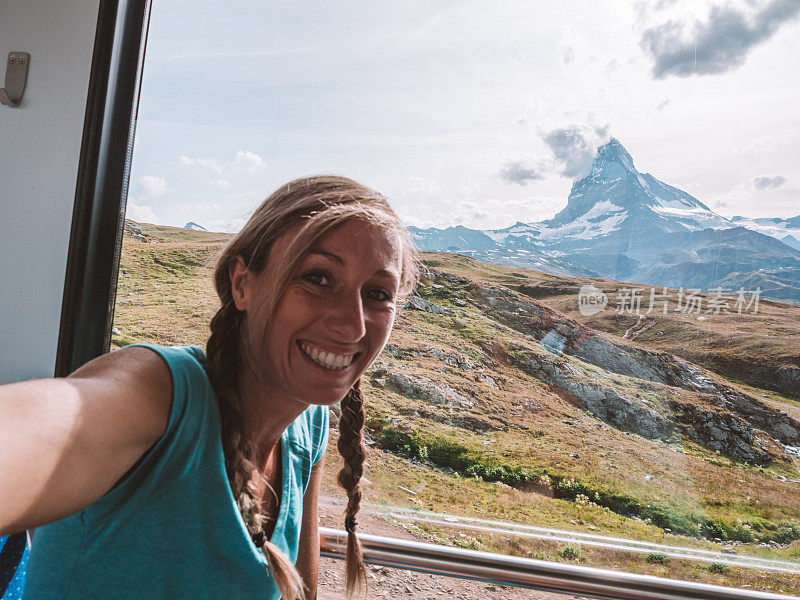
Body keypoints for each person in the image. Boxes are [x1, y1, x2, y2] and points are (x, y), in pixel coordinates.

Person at [0, 175, 419, 600]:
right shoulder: (157, 395)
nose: (353, 323)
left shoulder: (307, 425)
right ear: (242, 284)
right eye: (318, 278)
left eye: (378, 293)